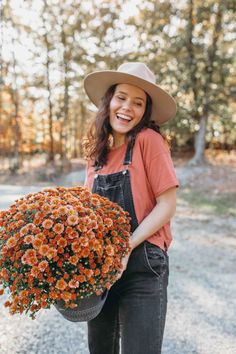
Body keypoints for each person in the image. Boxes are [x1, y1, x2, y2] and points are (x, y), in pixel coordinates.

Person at [83, 62, 179, 354]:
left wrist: (127, 246)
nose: (127, 107)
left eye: (138, 103)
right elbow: (86, 211)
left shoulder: (150, 141)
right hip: (103, 269)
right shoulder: (96, 153)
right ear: (109, 100)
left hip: (143, 265)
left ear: (145, 111)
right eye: (122, 97)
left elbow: (167, 205)